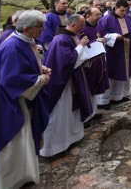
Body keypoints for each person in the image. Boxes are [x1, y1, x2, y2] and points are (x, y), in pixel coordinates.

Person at [0, 10, 51, 189]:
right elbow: (12, 80)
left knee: (24, 141)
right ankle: (8, 181)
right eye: (39, 26)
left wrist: (40, 68)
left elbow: (24, 65)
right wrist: (41, 80)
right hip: (11, 103)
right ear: (27, 28)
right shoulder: (13, 46)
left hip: (19, 100)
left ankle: (24, 174)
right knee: (13, 141)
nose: (43, 29)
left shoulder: (25, 41)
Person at [39, 14, 92, 157]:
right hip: (62, 85)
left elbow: (75, 57)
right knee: (59, 114)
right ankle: (53, 148)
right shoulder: (61, 40)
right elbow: (67, 62)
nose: (82, 30)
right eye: (81, 26)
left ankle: (72, 138)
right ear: (73, 25)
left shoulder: (71, 36)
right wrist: (81, 46)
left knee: (70, 111)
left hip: (72, 80)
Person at [97, 0, 131, 105]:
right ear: (115, 8)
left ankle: (121, 95)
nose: (124, 13)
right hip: (113, 50)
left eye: (125, 10)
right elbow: (101, 34)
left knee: (125, 72)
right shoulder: (106, 19)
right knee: (112, 73)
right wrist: (114, 36)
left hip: (127, 48)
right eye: (121, 10)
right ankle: (106, 99)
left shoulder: (128, 17)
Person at [81, 8, 110, 112]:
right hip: (89, 61)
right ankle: (88, 113)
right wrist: (96, 41)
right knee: (90, 85)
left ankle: (93, 111)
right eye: (97, 15)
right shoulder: (82, 28)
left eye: (100, 14)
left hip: (99, 59)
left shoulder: (97, 25)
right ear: (88, 16)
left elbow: (101, 36)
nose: (99, 16)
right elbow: (82, 44)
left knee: (96, 85)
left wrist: (103, 40)